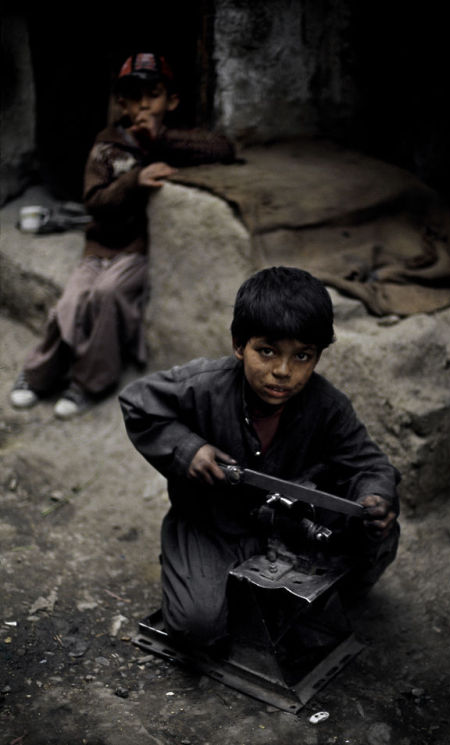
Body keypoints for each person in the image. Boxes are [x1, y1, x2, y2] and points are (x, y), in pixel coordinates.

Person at [119, 266, 400, 652]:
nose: (283, 372)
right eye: (266, 351)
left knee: (377, 529)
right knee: (197, 630)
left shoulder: (328, 406)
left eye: (302, 356)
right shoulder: (202, 386)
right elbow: (137, 402)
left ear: (318, 355)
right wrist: (187, 448)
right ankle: (194, 570)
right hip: (210, 525)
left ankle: (298, 602)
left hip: (284, 528)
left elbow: (370, 466)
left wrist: (375, 496)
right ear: (239, 345)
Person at [10, 52, 235, 419]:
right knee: (71, 301)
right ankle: (38, 375)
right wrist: (133, 181)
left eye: (155, 93)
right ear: (121, 103)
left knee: (108, 294)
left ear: (172, 101)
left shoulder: (173, 141)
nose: (145, 103)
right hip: (99, 247)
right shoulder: (106, 145)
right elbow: (94, 201)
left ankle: (88, 383)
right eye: (134, 95)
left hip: (136, 251)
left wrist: (160, 138)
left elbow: (224, 149)